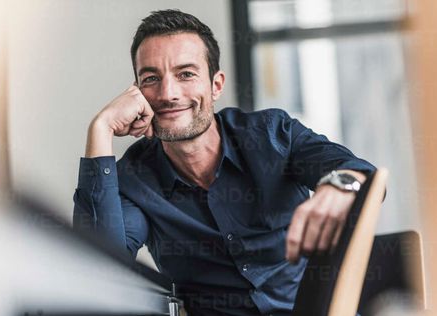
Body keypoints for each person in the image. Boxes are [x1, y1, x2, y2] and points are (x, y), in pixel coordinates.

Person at [73, 9, 376, 316]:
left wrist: (340, 186)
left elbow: (360, 173)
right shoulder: (133, 180)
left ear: (216, 86)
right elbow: (100, 270)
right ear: (136, 91)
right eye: (151, 78)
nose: (168, 94)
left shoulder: (272, 135)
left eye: (186, 74)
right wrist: (101, 128)